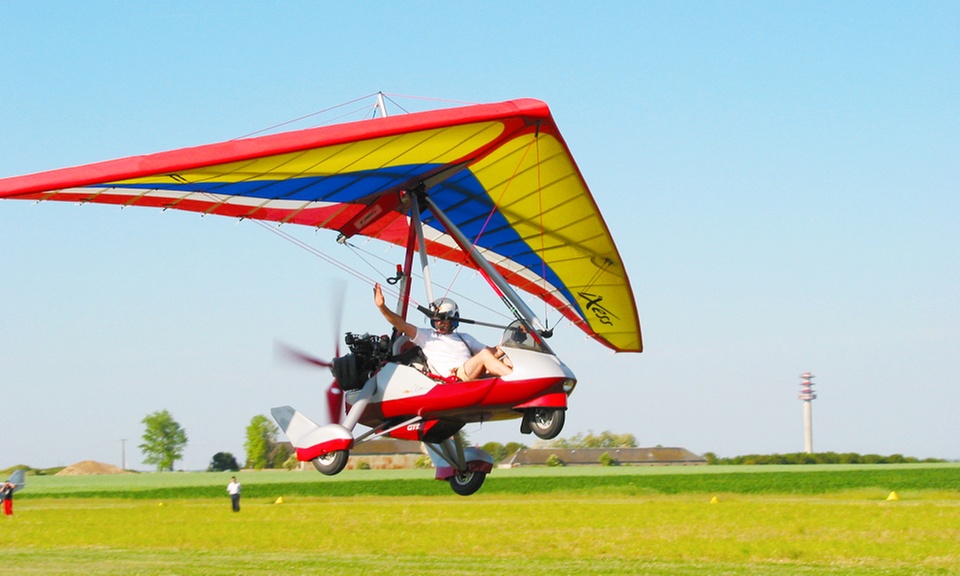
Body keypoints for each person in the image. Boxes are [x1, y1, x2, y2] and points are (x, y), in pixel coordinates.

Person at [373, 283, 512, 381]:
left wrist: (514, 340)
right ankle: (513, 379)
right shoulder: (426, 336)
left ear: (453, 318)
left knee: (508, 360)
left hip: (471, 372)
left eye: (443, 319)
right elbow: (401, 325)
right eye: (436, 320)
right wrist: (382, 307)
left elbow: (493, 353)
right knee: (484, 356)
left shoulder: (464, 338)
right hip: (455, 376)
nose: (439, 323)